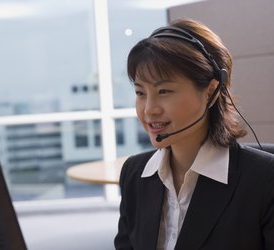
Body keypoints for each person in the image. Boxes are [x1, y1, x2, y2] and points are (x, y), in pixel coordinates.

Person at [114, 18, 274, 250]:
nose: (149, 109)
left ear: (211, 91)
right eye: (140, 92)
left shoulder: (264, 180)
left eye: (164, 91)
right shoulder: (134, 173)